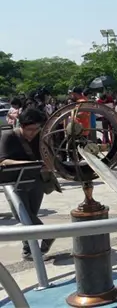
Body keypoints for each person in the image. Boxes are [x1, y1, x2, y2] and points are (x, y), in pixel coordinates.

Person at [0, 108, 56, 260]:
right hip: (14, 182)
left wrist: (48, 164)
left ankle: (28, 251)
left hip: (36, 181)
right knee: (22, 215)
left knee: (31, 215)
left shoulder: (41, 136)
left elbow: (49, 156)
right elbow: (3, 160)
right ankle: (47, 235)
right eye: (30, 129)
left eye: (37, 129)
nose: (33, 133)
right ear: (22, 125)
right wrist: (29, 164)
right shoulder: (9, 136)